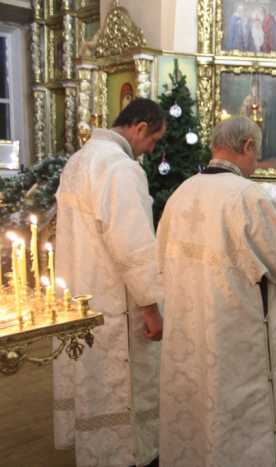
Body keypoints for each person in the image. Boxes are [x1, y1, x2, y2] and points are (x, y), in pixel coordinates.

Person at [157, 116, 276, 466]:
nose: (255, 163)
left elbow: (160, 262)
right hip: (233, 332)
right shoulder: (246, 195)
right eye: (256, 154)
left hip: (189, 328)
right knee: (236, 412)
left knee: (196, 410)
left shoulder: (181, 192)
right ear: (247, 146)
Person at [53, 98, 166, 466]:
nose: (150, 150)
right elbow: (132, 243)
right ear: (140, 127)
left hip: (80, 295)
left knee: (93, 383)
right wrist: (151, 307)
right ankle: (125, 457)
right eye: (153, 140)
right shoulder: (121, 168)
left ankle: (96, 454)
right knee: (122, 388)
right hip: (115, 301)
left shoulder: (79, 160)